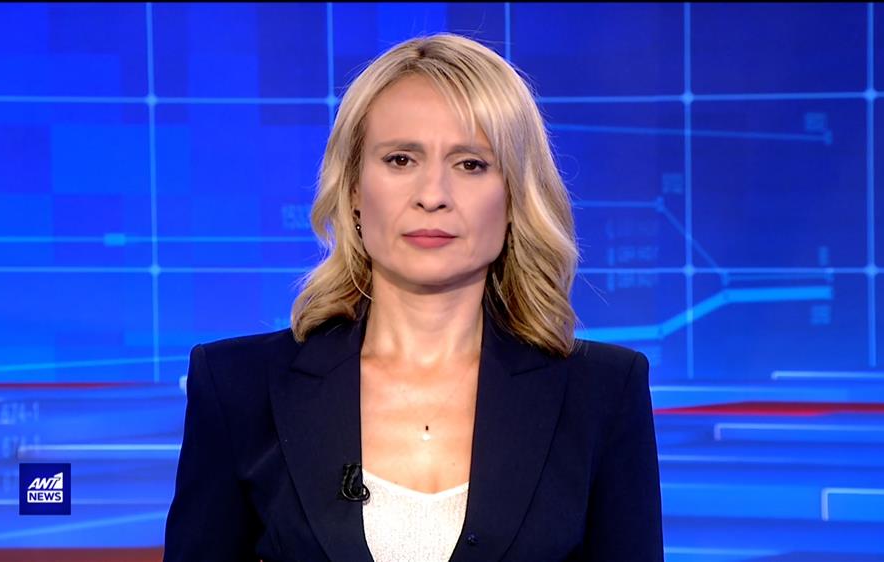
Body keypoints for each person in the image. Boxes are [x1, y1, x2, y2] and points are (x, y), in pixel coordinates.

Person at [163, 32, 663, 562]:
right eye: (401, 159)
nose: (432, 196)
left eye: (470, 164)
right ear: (353, 190)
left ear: (515, 197)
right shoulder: (239, 388)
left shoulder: (602, 394)